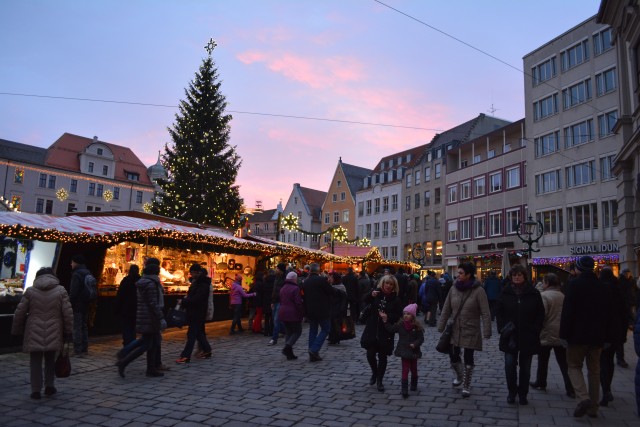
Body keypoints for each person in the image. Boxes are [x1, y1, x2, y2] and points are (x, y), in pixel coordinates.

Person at [560, 256, 613, 418]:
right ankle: (594, 407)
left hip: (577, 335)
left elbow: (568, 312)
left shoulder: (574, 285)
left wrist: (563, 334)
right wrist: (607, 336)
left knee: (574, 366)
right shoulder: (602, 286)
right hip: (597, 336)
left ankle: (583, 398)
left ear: (578, 268)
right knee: (594, 371)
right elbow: (608, 314)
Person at [11, 267, 73, 399]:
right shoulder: (61, 291)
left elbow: (20, 312)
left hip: (34, 329)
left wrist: (16, 330)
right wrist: (69, 330)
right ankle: (49, 385)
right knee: (50, 358)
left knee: (35, 360)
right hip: (54, 329)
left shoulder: (30, 291)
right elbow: (67, 313)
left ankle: (35, 390)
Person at [437, 261, 491, 398]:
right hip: (455, 327)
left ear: (468, 274)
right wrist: (441, 325)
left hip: (471, 329)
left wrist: (487, 331)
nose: (458, 275)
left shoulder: (479, 291)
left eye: (461, 273)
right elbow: (446, 308)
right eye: (458, 273)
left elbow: (485, 312)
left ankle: (466, 384)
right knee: (453, 355)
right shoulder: (453, 288)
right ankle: (460, 376)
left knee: (468, 356)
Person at [496, 264, 544, 405]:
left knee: (526, 368)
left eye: (519, 275)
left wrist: (535, 329)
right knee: (509, 366)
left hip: (528, 336)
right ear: (511, 277)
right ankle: (512, 392)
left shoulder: (533, 293)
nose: (517, 277)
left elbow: (540, 314)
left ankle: (523, 394)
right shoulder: (505, 293)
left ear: (524, 276)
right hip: (509, 336)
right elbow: (499, 312)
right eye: (514, 275)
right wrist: (502, 328)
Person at [116, 258, 166, 378]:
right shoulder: (151, 284)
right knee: (146, 344)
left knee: (151, 343)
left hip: (144, 316)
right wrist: (160, 317)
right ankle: (124, 361)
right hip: (150, 318)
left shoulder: (143, 282)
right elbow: (153, 303)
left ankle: (150, 368)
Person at [530, 273, 575, 398]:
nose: (542, 284)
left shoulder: (544, 296)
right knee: (564, 362)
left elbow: (541, 315)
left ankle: (541, 381)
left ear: (547, 283)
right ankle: (570, 387)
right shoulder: (563, 295)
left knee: (543, 360)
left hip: (547, 332)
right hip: (561, 333)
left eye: (543, 282)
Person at [360, 274, 403, 392]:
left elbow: (399, 315)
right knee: (370, 354)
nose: (388, 286)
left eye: (391, 284)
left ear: (394, 286)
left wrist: (387, 317)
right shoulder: (376, 293)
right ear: (382, 283)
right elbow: (364, 300)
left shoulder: (396, 299)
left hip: (386, 330)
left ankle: (380, 380)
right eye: (387, 283)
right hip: (373, 328)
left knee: (383, 357)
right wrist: (371, 294)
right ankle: (374, 372)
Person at [380, 303, 424, 398]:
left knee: (414, 369)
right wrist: (385, 321)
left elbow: (421, 339)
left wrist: (415, 344)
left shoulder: (417, 327)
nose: (405, 316)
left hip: (413, 352)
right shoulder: (400, 325)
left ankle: (414, 383)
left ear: (413, 315)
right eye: (404, 314)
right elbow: (391, 329)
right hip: (404, 350)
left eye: (408, 314)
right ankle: (404, 389)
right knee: (405, 369)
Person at [598, 267, 628, 407]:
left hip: (602, 332)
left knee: (601, 361)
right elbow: (624, 313)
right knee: (609, 361)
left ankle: (605, 390)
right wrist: (623, 334)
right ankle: (607, 387)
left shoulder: (600, 290)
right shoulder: (618, 290)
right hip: (615, 332)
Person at [302, 263, 342, 361]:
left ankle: (312, 352)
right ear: (318, 270)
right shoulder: (321, 280)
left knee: (313, 330)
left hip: (310, 310)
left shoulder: (306, 282)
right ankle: (314, 349)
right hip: (322, 309)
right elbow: (331, 291)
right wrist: (339, 292)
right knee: (325, 329)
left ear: (310, 270)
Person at [175, 264, 212, 363]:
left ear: (196, 272)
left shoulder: (202, 284)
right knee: (199, 333)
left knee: (191, 334)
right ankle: (207, 350)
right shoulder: (198, 282)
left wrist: (184, 302)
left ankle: (185, 356)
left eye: (191, 272)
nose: (190, 274)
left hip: (197, 312)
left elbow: (197, 299)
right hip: (195, 311)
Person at [69, 254, 91, 356]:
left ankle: (77, 349)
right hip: (86, 303)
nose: (71, 264)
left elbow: (74, 292)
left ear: (76, 262)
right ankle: (84, 348)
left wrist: (70, 303)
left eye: (72, 262)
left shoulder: (76, 274)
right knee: (84, 326)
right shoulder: (87, 272)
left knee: (77, 326)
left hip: (78, 304)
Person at [279, 271, 305, 360]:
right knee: (297, 331)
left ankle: (289, 354)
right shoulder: (295, 288)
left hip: (283, 312)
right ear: (294, 279)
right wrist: (302, 312)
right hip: (293, 313)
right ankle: (287, 347)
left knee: (289, 332)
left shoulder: (283, 288)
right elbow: (298, 303)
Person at [114, 264, 140, 346]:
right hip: (136, 308)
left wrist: (117, 307)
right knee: (133, 326)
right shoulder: (140, 281)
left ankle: (127, 343)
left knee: (126, 326)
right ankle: (132, 342)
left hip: (126, 308)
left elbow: (120, 295)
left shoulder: (126, 280)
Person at [619, 268, 636, 367]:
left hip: (630, 305)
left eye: (629, 272)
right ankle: (620, 358)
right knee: (620, 339)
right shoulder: (620, 282)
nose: (628, 274)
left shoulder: (632, 281)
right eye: (626, 273)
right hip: (623, 310)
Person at [327, 272, 347, 345]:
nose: (329, 279)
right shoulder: (331, 286)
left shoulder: (340, 287)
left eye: (331, 277)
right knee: (332, 323)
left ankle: (334, 338)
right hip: (332, 307)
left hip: (337, 307)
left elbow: (344, 299)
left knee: (335, 323)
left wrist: (342, 308)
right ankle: (332, 337)